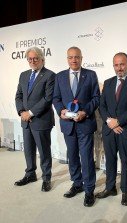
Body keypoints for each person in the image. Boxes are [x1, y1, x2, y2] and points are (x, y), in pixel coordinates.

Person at [53, 46, 100, 207]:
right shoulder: (59, 77)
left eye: (77, 57)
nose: (74, 60)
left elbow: (96, 98)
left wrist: (85, 112)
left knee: (86, 158)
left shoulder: (91, 75)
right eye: (71, 57)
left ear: (81, 58)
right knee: (72, 156)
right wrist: (61, 111)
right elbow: (56, 98)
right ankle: (77, 184)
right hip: (67, 125)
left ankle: (89, 190)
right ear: (67, 59)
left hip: (85, 123)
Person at [96, 52, 127, 206]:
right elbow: (102, 106)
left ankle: (125, 192)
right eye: (116, 65)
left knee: (126, 162)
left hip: (126, 130)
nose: (119, 68)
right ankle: (110, 188)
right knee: (110, 160)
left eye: (122, 64)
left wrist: (118, 122)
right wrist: (110, 121)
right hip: (109, 130)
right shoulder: (108, 82)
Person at [15, 46, 55, 192]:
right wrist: (21, 112)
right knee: (29, 150)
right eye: (30, 59)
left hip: (41, 120)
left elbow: (48, 98)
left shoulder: (50, 75)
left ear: (42, 59)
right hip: (25, 120)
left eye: (35, 58)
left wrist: (30, 112)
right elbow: (18, 96)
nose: (32, 61)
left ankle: (46, 178)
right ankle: (30, 174)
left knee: (44, 151)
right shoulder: (23, 75)